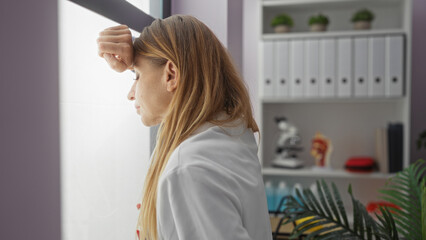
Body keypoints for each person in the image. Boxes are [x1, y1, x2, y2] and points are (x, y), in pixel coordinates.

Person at [96, 15, 272, 240]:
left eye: (136, 76)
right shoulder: (229, 134)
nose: (131, 94)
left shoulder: (190, 168)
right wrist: (141, 59)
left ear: (171, 74)